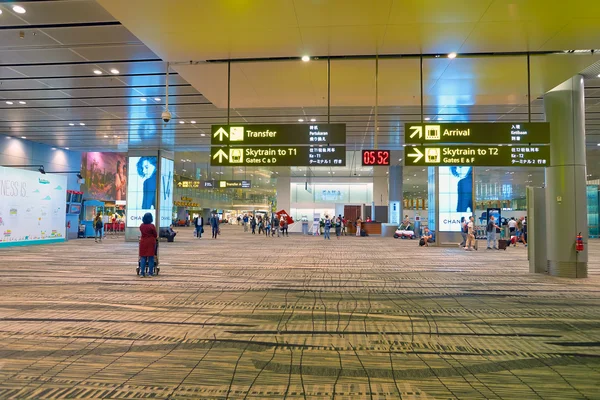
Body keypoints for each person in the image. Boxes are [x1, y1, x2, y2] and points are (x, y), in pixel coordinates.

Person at [139, 212, 157, 277]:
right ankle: (150, 273)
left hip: (143, 242)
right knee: (151, 258)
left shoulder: (141, 226)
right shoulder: (152, 226)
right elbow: (155, 234)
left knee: (143, 257)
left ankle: (142, 273)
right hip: (151, 242)